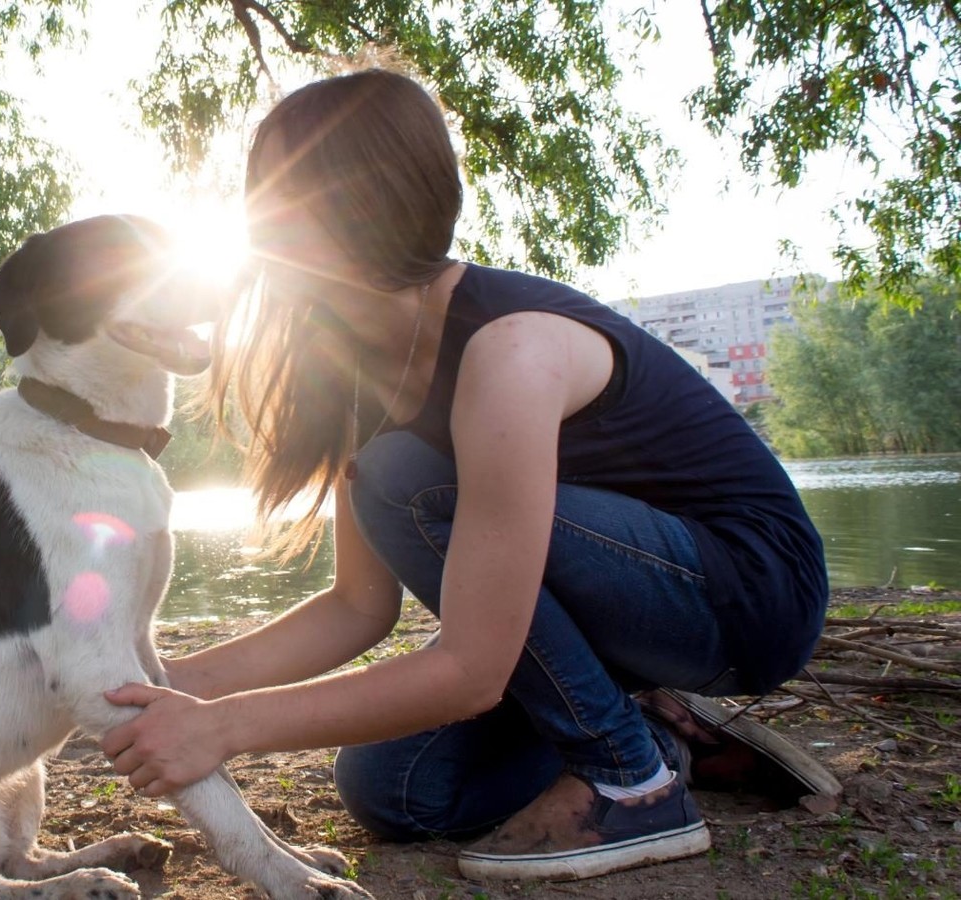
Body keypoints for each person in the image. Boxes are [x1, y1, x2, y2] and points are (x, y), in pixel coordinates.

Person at [98, 67, 833, 882]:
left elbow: (474, 670)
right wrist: (158, 684)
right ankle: (655, 725)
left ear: (357, 209)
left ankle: (633, 782)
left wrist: (223, 727)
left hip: (745, 596)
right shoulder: (355, 367)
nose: (255, 224)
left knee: (404, 480)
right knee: (395, 789)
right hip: (628, 627)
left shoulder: (507, 348)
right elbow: (355, 608)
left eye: (277, 196)